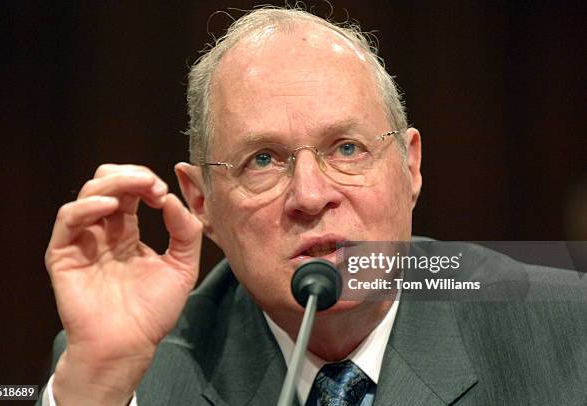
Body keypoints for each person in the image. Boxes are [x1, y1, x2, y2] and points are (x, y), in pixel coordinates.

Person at [38, 7, 586, 406]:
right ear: (202, 201)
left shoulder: (565, 331)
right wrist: (102, 382)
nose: (310, 195)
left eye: (346, 149)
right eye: (262, 160)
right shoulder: (134, 369)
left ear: (410, 167)